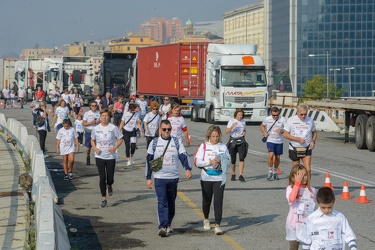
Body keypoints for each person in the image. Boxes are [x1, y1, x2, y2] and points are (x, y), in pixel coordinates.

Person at [145, 119, 192, 237]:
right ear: (160, 129)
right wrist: (148, 177)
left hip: (173, 178)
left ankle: (168, 224)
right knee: (162, 201)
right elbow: (149, 160)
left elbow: (183, 156)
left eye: (169, 129)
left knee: (171, 203)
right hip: (159, 177)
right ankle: (162, 226)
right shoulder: (154, 142)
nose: (167, 131)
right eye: (164, 129)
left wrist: (187, 168)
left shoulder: (176, 142)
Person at [194, 125, 230, 235]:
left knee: (218, 201)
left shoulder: (223, 147)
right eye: (213, 136)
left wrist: (221, 162)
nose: (215, 138)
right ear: (209, 135)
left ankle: (217, 225)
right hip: (206, 178)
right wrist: (210, 162)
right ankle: (206, 219)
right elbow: (198, 162)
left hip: (219, 178)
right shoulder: (204, 146)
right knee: (207, 200)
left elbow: (229, 162)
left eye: (217, 136)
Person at [91, 109, 123, 208]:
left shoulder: (113, 128)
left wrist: (114, 148)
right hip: (99, 156)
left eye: (106, 116)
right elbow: (92, 140)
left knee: (110, 178)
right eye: (103, 115)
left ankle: (109, 185)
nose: (104, 117)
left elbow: (120, 139)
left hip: (110, 156)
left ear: (109, 117)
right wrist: (95, 148)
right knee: (102, 177)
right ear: (100, 117)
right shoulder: (96, 128)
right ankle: (103, 198)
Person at [284, 104, 317, 185]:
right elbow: (285, 134)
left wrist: (313, 141)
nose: (303, 116)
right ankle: (294, 187)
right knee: (297, 171)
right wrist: (297, 139)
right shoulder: (291, 120)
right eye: (301, 114)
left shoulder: (310, 120)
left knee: (308, 169)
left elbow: (315, 132)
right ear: (297, 112)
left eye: (305, 114)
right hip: (294, 148)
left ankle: (307, 187)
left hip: (306, 148)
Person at [286, 164, 316, 250]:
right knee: (293, 248)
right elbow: (291, 199)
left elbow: (313, 207)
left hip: (306, 224)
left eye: (305, 175)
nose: (303, 178)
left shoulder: (312, 190)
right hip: (293, 224)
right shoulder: (290, 188)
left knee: (307, 247)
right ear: (293, 176)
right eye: (300, 175)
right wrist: (297, 183)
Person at [260, 106, 287, 180]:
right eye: (273, 115)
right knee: (271, 155)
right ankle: (269, 171)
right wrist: (264, 132)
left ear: (279, 114)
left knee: (277, 157)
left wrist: (281, 131)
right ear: (271, 114)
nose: (275, 117)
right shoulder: (267, 119)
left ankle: (275, 171)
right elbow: (262, 126)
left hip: (279, 140)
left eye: (276, 115)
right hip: (270, 139)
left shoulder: (283, 119)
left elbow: (288, 129)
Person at [225, 108, 248, 182]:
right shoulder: (231, 121)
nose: (240, 116)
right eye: (239, 115)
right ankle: (233, 174)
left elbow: (244, 129)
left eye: (241, 115)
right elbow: (227, 132)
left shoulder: (243, 122)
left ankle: (241, 175)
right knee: (233, 160)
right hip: (233, 142)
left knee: (242, 158)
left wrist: (244, 132)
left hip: (241, 141)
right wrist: (232, 126)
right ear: (235, 115)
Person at [82, 100, 101, 165]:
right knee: (88, 148)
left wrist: (99, 122)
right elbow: (83, 123)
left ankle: (98, 159)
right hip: (89, 131)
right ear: (90, 106)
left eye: (95, 106)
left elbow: (101, 122)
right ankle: (88, 156)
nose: (94, 107)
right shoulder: (87, 113)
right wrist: (91, 123)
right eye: (92, 106)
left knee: (97, 146)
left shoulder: (98, 113)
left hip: (97, 132)